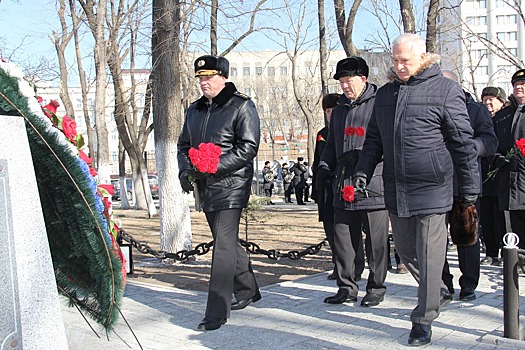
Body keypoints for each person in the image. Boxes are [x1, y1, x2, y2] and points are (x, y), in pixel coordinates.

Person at [354, 34, 479, 346]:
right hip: (397, 189)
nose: (398, 67)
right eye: (394, 61)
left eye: (405, 61)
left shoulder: (445, 90)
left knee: (428, 251)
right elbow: (373, 141)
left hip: (434, 188)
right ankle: (437, 291)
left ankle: (423, 319)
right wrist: (362, 171)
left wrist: (470, 189)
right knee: (408, 252)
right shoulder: (384, 95)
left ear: (423, 57)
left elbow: (463, 145)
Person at [177, 55, 261, 331]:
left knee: (222, 247)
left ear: (223, 77)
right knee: (226, 242)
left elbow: (248, 147)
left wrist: (214, 166)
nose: (204, 83)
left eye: (209, 77)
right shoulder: (195, 110)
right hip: (206, 187)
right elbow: (183, 146)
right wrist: (184, 172)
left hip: (232, 185)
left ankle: (216, 311)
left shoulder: (241, 106)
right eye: (200, 78)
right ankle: (248, 289)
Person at [318, 56, 389, 308]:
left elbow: (385, 143)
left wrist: (361, 158)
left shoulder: (380, 103)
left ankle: (376, 286)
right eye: (341, 82)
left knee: (376, 242)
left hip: (373, 184)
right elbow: (333, 142)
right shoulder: (339, 108)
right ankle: (346, 286)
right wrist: (325, 164)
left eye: (349, 81)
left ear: (363, 78)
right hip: (343, 184)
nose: (345, 87)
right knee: (343, 238)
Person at [440, 70, 498, 302]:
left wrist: (469, 147)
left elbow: (490, 141)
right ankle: (442, 283)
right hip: (435, 182)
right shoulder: (429, 108)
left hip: (466, 181)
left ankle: (469, 284)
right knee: (435, 239)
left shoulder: (475, 109)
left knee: (467, 235)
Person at [312, 93, 365, 281]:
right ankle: (338, 264)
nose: (330, 114)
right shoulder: (322, 134)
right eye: (327, 111)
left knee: (349, 228)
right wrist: (316, 188)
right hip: (326, 187)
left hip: (345, 184)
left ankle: (356, 265)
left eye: (333, 110)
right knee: (330, 228)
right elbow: (317, 160)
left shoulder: (349, 132)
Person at [492, 69, 525, 254]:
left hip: (523, 177)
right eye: (516, 84)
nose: (519, 87)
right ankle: (515, 258)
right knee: (509, 225)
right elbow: (492, 141)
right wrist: (495, 158)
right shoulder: (503, 116)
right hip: (507, 179)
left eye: (523, 84)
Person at [479, 86, 508, 266]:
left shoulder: (506, 118)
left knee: (502, 217)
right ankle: (491, 251)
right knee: (487, 216)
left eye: (492, 99)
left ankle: (507, 251)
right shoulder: (480, 119)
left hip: (502, 173)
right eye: (485, 99)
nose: (488, 102)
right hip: (483, 173)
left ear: (501, 101)